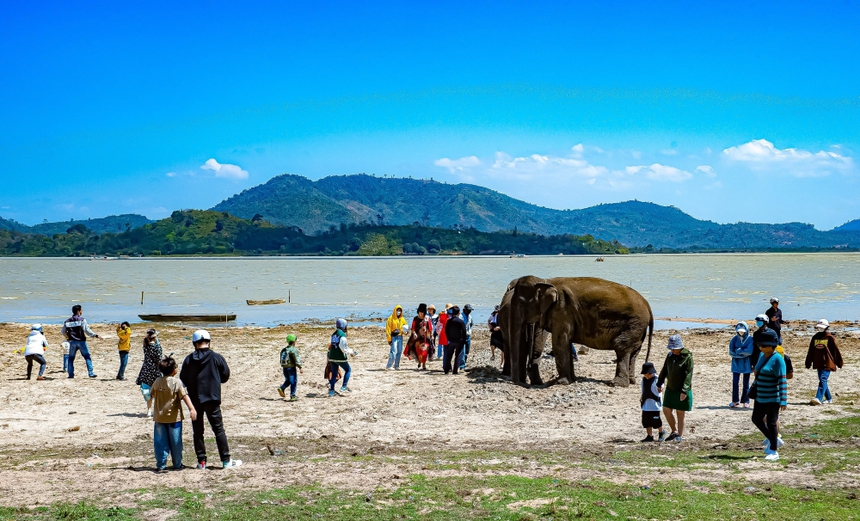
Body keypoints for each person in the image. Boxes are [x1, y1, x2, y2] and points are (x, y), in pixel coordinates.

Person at [179, 329, 241, 469]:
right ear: (209, 342)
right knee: (218, 430)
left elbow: (183, 380)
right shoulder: (216, 357)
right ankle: (225, 461)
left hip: (195, 401)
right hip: (212, 399)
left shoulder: (189, 359)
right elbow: (225, 376)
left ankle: (202, 462)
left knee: (198, 431)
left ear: (194, 343)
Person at [151, 356, 197, 472]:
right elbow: (184, 396)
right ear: (174, 370)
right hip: (174, 419)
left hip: (159, 418)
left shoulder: (157, 381)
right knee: (176, 442)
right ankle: (177, 464)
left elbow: (152, 394)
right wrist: (192, 409)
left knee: (160, 442)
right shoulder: (177, 382)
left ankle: (161, 465)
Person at [751, 329, 787, 462]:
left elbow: (782, 381)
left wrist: (783, 400)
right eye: (759, 345)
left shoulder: (778, 359)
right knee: (756, 419)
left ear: (772, 346)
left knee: (772, 423)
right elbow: (757, 373)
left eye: (764, 346)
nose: (761, 347)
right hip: (760, 396)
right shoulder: (761, 356)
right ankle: (774, 440)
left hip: (773, 397)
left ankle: (773, 450)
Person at [657, 334, 693, 442]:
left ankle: (679, 436)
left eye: (674, 348)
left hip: (681, 389)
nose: (672, 350)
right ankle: (674, 430)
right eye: (671, 348)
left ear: (680, 347)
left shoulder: (687, 357)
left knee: (680, 413)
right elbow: (664, 370)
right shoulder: (669, 356)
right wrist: (660, 382)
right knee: (666, 409)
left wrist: (684, 390)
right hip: (670, 388)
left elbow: (688, 375)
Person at [805, 319, 844, 405]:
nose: (820, 329)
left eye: (822, 328)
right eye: (819, 327)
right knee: (823, 380)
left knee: (823, 379)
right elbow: (811, 351)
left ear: (826, 327)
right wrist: (808, 362)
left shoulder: (830, 338)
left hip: (828, 362)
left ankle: (818, 398)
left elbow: (835, 351)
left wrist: (839, 362)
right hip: (818, 362)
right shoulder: (814, 337)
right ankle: (829, 398)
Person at [61, 304, 100, 379]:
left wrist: (68, 337)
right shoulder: (82, 320)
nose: (82, 311)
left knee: (71, 359)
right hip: (81, 341)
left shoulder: (67, 321)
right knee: (87, 357)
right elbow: (87, 330)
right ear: (79, 311)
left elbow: (63, 331)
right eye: (81, 310)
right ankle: (91, 373)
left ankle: (71, 375)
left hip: (72, 342)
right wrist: (95, 335)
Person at [136, 329, 163, 417]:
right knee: (158, 390)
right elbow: (159, 359)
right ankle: (157, 410)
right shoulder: (157, 347)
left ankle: (149, 410)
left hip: (146, 369)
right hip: (155, 370)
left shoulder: (145, 345)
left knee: (147, 391)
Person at [327, 318, 357, 396]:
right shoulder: (342, 335)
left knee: (334, 374)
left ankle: (332, 391)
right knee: (348, 370)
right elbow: (343, 348)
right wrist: (351, 352)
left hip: (331, 356)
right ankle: (344, 387)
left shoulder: (334, 334)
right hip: (339, 357)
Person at [729, 321, 754, 408]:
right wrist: (741, 352)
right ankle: (735, 400)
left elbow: (749, 351)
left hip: (746, 364)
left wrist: (739, 351)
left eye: (743, 331)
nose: (741, 333)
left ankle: (746, 400)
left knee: (746, 383)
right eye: (739, 331)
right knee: (735, 382)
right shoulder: (734, 339)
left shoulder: (750, 339)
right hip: (736, 364)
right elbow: (731, 352)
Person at [639, 362, 665, 442]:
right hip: (646, 404)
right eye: (645, 374)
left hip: (655, 405)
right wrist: (642, 397)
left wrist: (660, 388)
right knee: (646, 421)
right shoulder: (643, 380)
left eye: (648, 374)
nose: (646, 376)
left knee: (656, 421)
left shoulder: (657, 379)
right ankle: (649, 436)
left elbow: (661, 387)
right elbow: (643, 390)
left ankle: (661, 432)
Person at [278, 333, 303, 401]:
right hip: (291, 368)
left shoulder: (284, 349)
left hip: (284, 367)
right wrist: (300, 367)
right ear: (294, 341)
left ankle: (282, 388)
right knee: (293, 381)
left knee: (288, 380)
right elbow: (296, 359)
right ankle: (292, 395)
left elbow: (281, 359)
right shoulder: (293, 349)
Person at [443, 306, 467, 375]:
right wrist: (464, 340)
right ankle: (455, 371)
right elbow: (464, 331)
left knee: (449, 355)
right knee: (458, 355)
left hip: (451, 341)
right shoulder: (460, 322)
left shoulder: (449, 321)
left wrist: (448, 338)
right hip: (459, 341)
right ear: (459, 313)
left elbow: (446, 330)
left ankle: (446, 370)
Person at [408, 304, 433, 370]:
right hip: (417, 337)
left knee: (425, 350)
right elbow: (413, 328)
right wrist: (414, 333)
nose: (421, 313)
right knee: (418, 350)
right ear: (418, 311)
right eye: (420, 312)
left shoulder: (427, 319)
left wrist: (431, 335)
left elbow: (430, 328)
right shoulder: (415, 319)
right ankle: (419, 361)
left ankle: (424, 364)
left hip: (425, 337)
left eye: (422, 312)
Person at [385, 305, 407, 371]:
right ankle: (389, 365)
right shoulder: (390, 319)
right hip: (394, 337)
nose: (398, 312)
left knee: (399, 351)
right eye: (397, 310)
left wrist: (406, 332)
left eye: (400, 310)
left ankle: (396, 365)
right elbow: (388, 329)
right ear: (395, 310)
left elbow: (405, 327)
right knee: (393, 351)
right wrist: (389, 339)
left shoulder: (402, 319)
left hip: (400, 336)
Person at [458, 304, 474, 370]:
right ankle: (462, 366)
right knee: (462, 351)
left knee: (467, 351)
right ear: (464, 310)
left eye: (470, 310)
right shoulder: (460, 317)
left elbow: (471, 324)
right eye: (468, 310)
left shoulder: (470, 317)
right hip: (461, 336)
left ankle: (464, 363)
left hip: (468, 336)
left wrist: (469, 331)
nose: (469, 311)